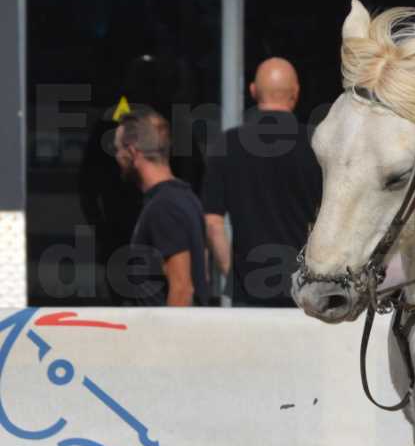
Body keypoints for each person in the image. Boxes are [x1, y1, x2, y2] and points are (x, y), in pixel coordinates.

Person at [203, 57, 323, 306]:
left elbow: (213, 223)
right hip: (303, 292)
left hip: (246, 293)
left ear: (253, 91)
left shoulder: (228, 144)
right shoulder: (316, 144)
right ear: (296, 93)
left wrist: (232, 275)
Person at [114, 105, 209, 307]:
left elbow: (183, 288)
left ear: (132, 151)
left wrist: (168, 339)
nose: (116, 158)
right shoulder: (186, 197)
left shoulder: (164, 207)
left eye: (118, 150)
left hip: (166, 336)